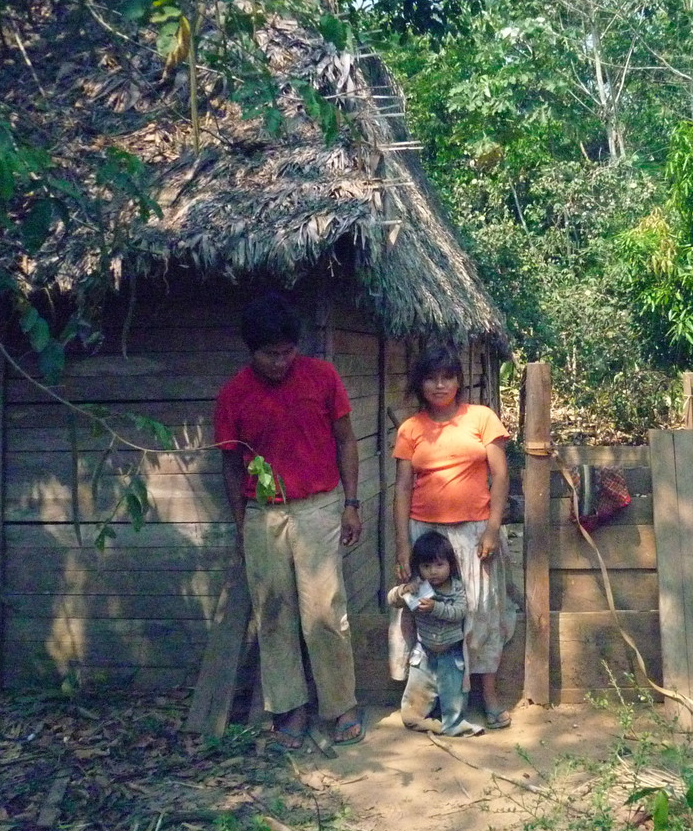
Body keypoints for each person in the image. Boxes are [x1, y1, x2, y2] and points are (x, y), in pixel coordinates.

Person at [214, 293, 365, 748]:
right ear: (251, 350)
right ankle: (290, 710)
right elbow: (230, 465)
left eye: (287, 352)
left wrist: (352, 502)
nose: (281, 362)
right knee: (274, 614)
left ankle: (341, 706)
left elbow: (347, 441)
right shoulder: (233, 395)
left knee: (323, 613)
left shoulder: (322, 377)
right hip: (263, 513)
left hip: (319, 506)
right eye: (270, 354)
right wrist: (243, 524)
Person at [393, 344, 516, 729]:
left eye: (447, 377)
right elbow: (401, 489)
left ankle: (489, 697)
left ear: (460, 381)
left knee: (479, 612)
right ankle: (429, 698)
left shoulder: (481, 418)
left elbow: (501, 475)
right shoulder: (410, 429)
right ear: (420, 383)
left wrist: (493, 529)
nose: (440, 385)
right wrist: (402, 547)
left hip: (475, 533)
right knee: (424, 616)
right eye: (431, 378)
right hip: (426, 538)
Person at [387, 531, 484, 736]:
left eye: (440, 565)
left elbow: (459, 612)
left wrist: (435, 608)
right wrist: (403, 589)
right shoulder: (418, 587)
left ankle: (453, 724)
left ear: (450, 565)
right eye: (426, 566)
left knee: (454, 702)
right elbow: (392, 600)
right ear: (418, 568)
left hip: (451, 655)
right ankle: (432, 725)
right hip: (424, 656)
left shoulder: (456, 588)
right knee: (411, 713)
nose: (433, 572)